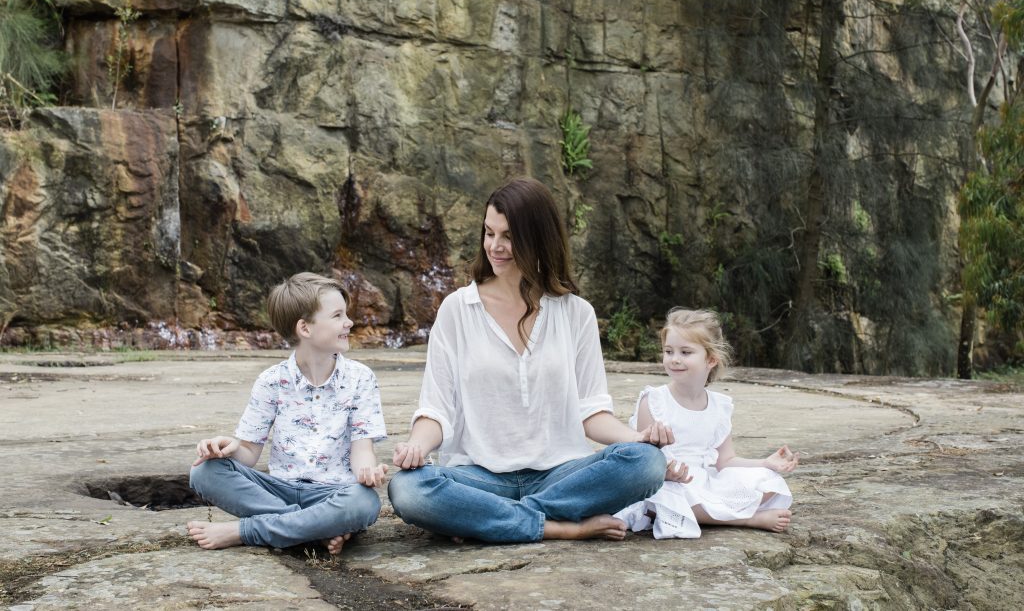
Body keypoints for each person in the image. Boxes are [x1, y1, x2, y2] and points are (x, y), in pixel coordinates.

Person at [387, 176, 672, 543]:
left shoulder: (576, 313)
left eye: (508, 236)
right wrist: (417, 447)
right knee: (408, 489)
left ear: (538, 238)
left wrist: (638, 438)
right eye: (489, 233)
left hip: (560, 474)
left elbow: (592, 412)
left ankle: (485, 521)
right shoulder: (458, 309)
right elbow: (436, 409)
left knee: (647, 464)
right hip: (479, 478)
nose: (495, 246)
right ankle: (559, 527)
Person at [186, 272, 388, 555]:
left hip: (333, 493)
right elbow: (248, 453)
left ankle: (248, 531)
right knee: (203, 471)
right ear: (305, 328)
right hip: (277, 489)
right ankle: (314, 530)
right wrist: (228, 448)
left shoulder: (360, 378)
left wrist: (367, 470)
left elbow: (362, 449)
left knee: (364, 502)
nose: (349, 322)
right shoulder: (271, 381)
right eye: (337, 315)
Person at [614, 308, 797, 539]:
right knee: (663, 498)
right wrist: (666, 473)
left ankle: (714, 512)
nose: (675, 359)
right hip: (664, 482)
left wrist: (765, 463)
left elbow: (726, 460)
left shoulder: (719, 406)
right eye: (668, 351)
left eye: (685, 352)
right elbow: (640, 459)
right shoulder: (654, 400)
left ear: (711, 359)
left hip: (703, 480)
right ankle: (747, 519)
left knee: (770, 481)